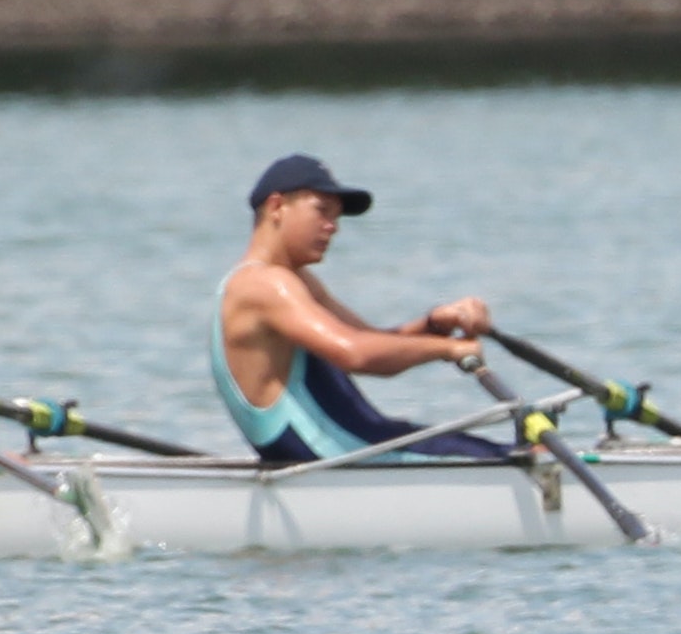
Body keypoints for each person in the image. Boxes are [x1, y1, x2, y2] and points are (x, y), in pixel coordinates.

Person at [216, 154, 510, 464]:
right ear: (277, 207)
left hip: (350, 443)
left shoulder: (291, 281)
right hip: (335, 451)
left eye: (337, 217)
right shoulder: (265, 285)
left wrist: (433, 323)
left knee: (491, 448)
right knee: (519, 455)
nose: (333, 228)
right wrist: (447, 349)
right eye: (322, 211)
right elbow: (357, 354)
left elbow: (368, 339)